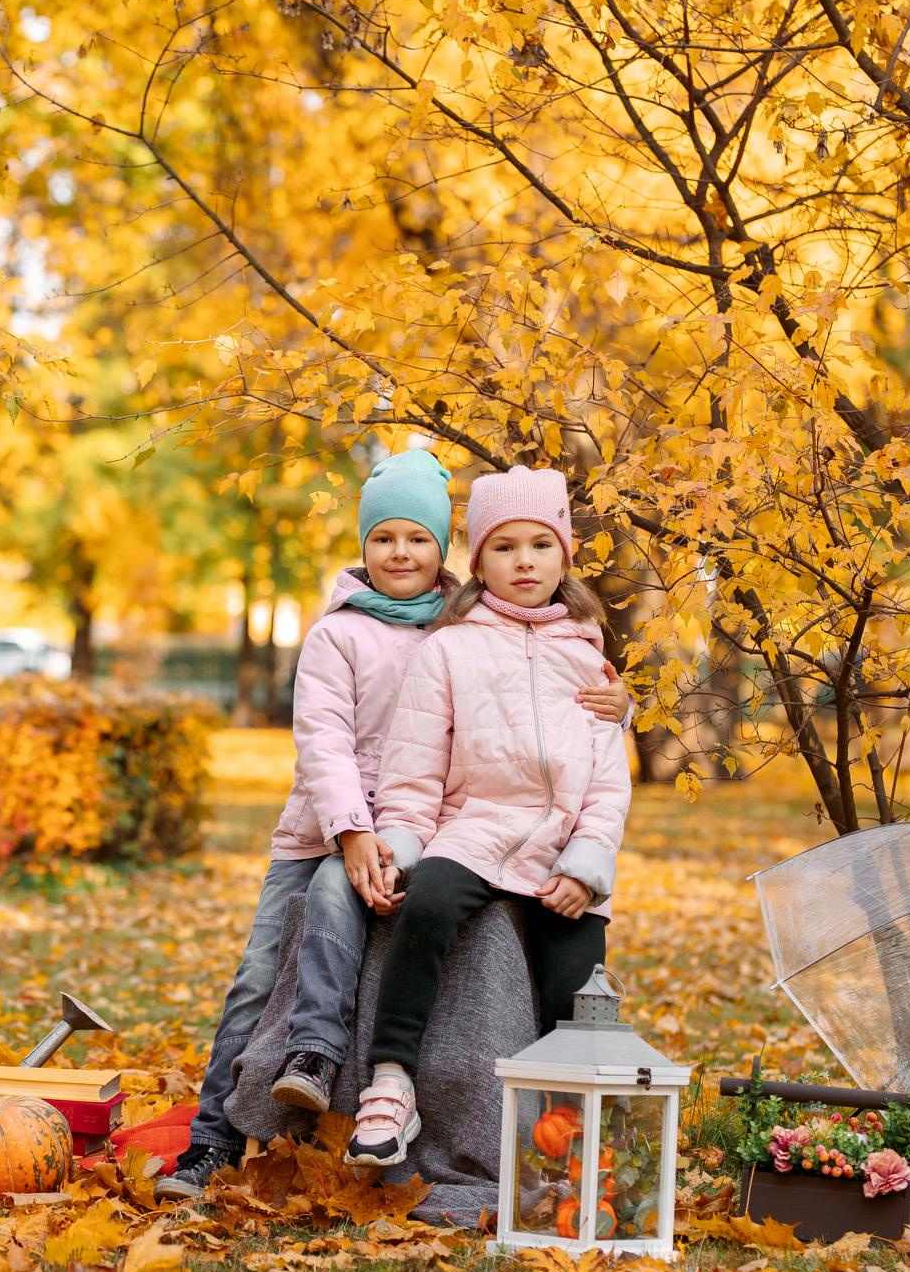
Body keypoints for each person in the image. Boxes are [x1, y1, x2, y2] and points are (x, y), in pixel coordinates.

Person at [158, 452, 629, 1201]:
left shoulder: (470, 622)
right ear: (364, 545)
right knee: (267, 968)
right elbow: (323, 742)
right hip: (335, 830)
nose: (401, 552)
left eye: (419, 537)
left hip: (439, 827)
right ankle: (232, 1120)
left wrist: (620, 704)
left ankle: (566, 1148)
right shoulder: (341, 634)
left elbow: (559, 706)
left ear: (447, 548)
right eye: (384, 538)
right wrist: (353, 833)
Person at [344, 465, 633, 1168]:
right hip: (473, 832)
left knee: (577, 983)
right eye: (504, 547)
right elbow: (413, 767)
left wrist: (587, 866)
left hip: (561, 842)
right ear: (477, 561)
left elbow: (607, 781)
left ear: (564, 555)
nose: (524, 560)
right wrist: (402, 843)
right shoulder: (449, 647)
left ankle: (572, 1137)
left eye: (540, 544)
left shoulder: (590, 658)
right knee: (426, 907)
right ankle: (390, 1082)